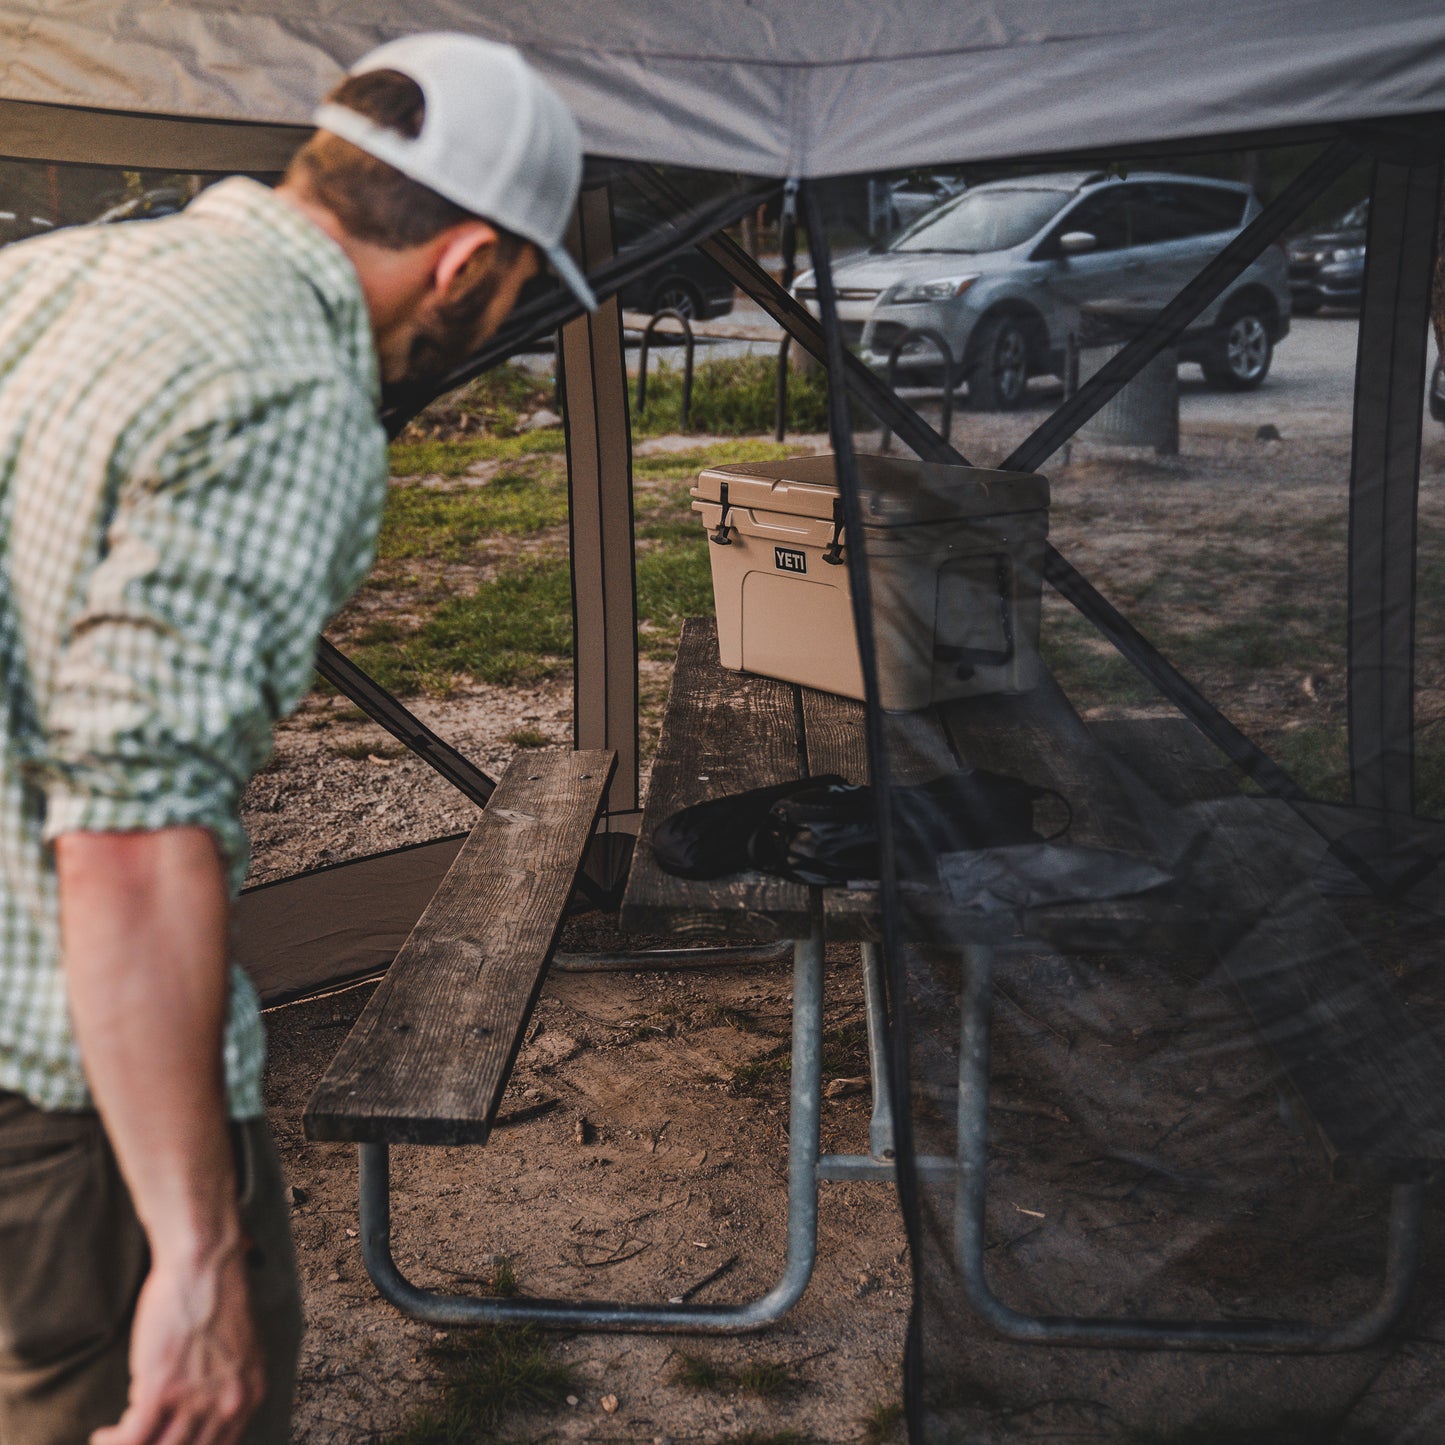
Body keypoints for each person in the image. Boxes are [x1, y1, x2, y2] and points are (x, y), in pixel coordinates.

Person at [0, 32, 596, 1445]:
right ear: (464, 263)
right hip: (60, 1090)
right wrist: (195, 1261)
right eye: (515, 286)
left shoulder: (47, 278)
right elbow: (134, 839)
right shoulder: (290, 389)